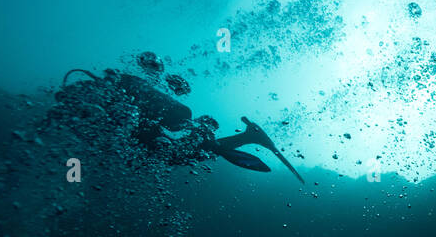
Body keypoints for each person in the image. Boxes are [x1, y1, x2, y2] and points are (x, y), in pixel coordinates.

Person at [55, 69, 304, 183]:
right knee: (178, 148)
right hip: (163, 115)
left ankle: (243, 138)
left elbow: (109, 130)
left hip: (150, 119)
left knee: (168, 155)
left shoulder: (96, 99)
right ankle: (244, 136)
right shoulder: (109, 88)